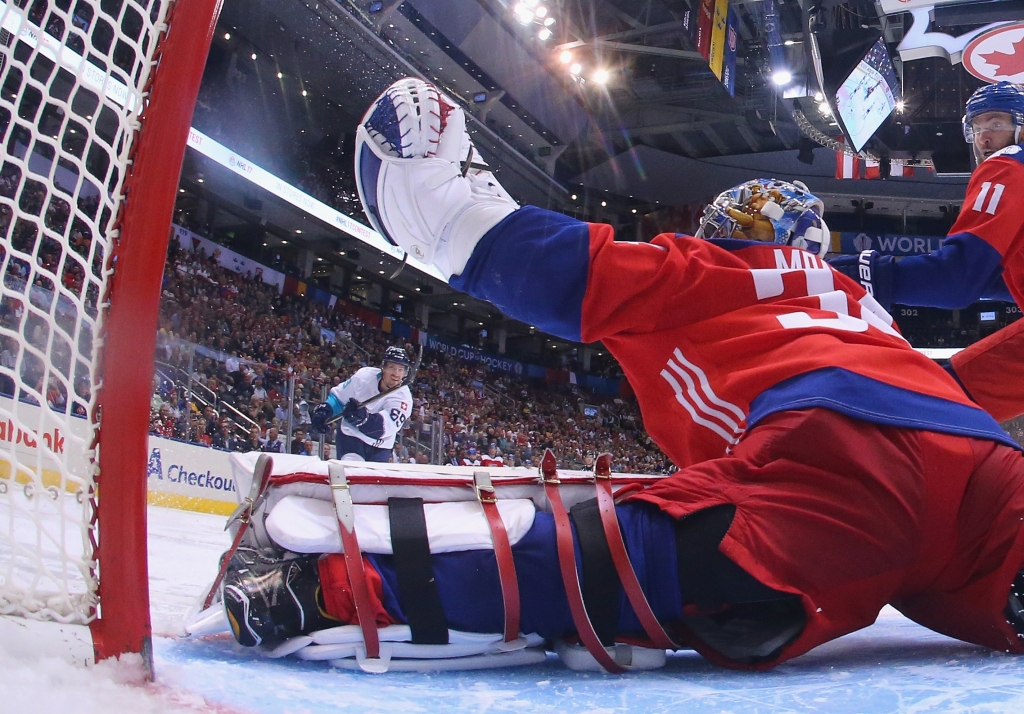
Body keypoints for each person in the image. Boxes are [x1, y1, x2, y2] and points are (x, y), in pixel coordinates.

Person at [223, 79, 1024, 672]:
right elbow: (950, 399)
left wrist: (440, 197)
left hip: (828, 471)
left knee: (624, 559)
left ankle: (323, 583)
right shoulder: (862, 310)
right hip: (979, 459)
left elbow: (527, 259)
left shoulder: (711, 269)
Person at [829, 81, 1024, 422]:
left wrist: (858, 275)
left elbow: (956, 280)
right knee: (947, 404)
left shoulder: (1008, 164)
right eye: (977, 127)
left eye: (996, 123)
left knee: (932, 410)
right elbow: (1000, 282)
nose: (984, 138)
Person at [309, 346, 413, 462]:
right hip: (351, 437)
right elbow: (339, 399)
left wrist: (364, 419)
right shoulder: (364, 376)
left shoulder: (404, 399)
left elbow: (382, 429)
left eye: (400, 369)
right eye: (391, 367)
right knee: (351, 472)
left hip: (379, 447)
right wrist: (324, 411)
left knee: (370, 479)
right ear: (383, 367)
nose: (396, 374)